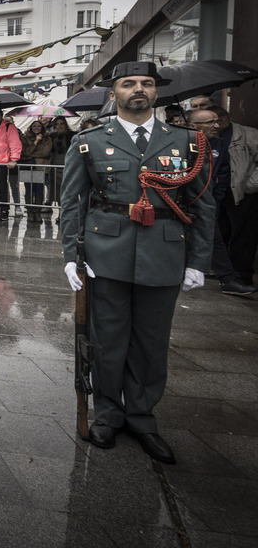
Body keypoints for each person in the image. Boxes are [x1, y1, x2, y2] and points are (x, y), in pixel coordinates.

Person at [61, 61, 214, 465]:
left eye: (146, 83)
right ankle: (109, 415)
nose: (138, 89)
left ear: (156, 92)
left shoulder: (186, 141)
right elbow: (72, 204)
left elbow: (202, 205)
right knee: (108, 340)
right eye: (128, 84)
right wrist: (70, 257)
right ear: (115, 93)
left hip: (164, 251)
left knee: (150, 343)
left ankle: (143, 419)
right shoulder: (90, 141)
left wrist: (198, 260)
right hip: (106, 254)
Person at [190, 108, 257, 297]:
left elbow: (223, 172)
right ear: (194, 126)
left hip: (208, 201)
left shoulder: (219, 144)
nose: (216, 125)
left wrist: (215, 196)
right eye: (210, 122)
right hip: (183, 201)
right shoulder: (182, 142)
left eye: (217, 121)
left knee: (214, 237)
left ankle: (228, 279)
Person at [210, 105, 258, 291]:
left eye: (221, 116)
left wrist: (251, 186)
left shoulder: (249, 134)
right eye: (213, 118)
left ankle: (242, 275)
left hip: (242, 193)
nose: (217, 121)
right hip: (217, 192)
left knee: (243, 236)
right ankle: (224, 272)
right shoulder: (209, 137)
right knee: (220, 232)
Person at [20, 120, 52, 221]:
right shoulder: (25, 138)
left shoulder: (47, 138)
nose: (36, 128)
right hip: (28, 167)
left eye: (39, 126)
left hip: (41, 168)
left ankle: (37, 212)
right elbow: (25, 152)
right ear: (31, 127)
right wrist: (36, 142)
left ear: (42, 127)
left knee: (39, 190)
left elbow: (46, 152)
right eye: (34, 126)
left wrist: (31, 153)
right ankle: (30, 212)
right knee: (28, 190)